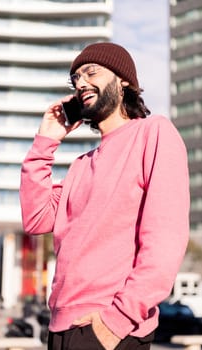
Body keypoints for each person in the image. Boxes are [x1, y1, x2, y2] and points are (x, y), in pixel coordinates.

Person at [20, 42, 190, 350]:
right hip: (60, 328)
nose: (81, 82)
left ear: (123, 79)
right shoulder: (81, 166)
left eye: (91, 72)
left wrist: (116, 322)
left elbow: (165, 241)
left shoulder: (154, 134)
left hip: (108, 329)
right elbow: (36, 218)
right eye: (75, 79)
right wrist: (45, 141)